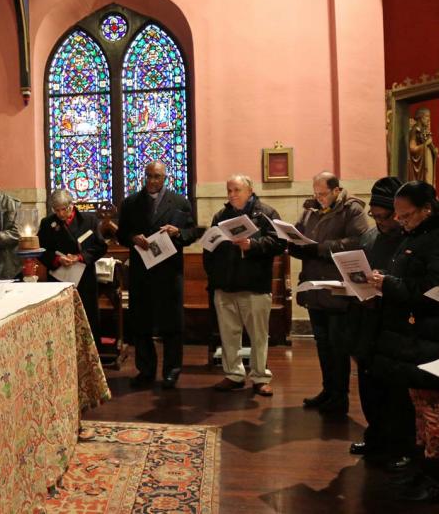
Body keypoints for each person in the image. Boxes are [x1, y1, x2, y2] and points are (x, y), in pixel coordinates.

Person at [369, 181, 439, 501]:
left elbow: (435, 291)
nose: (400, 221)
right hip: (413, 335)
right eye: (397, 216)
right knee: (419, 407)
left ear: (426, 209)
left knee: (433, 411)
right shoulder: (416, 234)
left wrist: (388, 284)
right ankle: (422, 468)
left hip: (433, 335)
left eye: (406, 215)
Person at [343, 177, 415, 468]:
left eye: (386, 216)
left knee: (395, 391)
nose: (380, 221)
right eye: (376, 215)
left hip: (395, 324)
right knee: (368, 385)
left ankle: (400, 445)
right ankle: (376, 436)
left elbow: (412, 286)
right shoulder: (370, 237)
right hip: (367, 321)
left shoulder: (410, 239)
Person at [290, 171, 369, 415]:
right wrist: (293, 244)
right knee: (322, 344)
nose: (318, 198)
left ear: (336, 190)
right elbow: (301, 237)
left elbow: (358, 241)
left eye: (322, 194)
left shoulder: (352, 210)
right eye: (315, 193)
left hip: (338, 289)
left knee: (338, 346)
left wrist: (320, 248)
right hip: (314, 287)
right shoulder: (309, 210)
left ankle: (340, 397)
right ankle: (327, 390)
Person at [117, 161, 197, 389]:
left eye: (157, 177)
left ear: (165, 178)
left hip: (169, 272)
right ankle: (146, 370)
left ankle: (171, 371)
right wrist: (132, 238)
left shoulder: (179, 202)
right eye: (149, 175)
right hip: (142, 272)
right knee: (141, 324)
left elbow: (192, 232)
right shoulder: (131, 203)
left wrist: (178, 232)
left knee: (171, 325)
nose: (152, 181)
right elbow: (122, 233)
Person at [203, 174, 285, 396]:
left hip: (254, 285)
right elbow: (208, 249)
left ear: (250, 190)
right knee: (229, 334)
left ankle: (259, 377)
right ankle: (234, 374)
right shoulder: (221, 216)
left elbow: (279, 243)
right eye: (229, 190)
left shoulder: (265, 213)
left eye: (236, 190)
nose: (231, 195)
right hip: (225, 285)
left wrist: (253, 245)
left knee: (258, 335)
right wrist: (214, 276)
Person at [38, 189, 107, 349]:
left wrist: (79, 257)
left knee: (87, 317)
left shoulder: (89, 220)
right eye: (57, 210)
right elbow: (40, 251)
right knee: (61, 318)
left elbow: (100, 247)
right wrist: (57, 259)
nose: (61, 214)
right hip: (59, 278)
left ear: (72, 205)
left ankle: (92, 355)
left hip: (84, 278)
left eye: (65, 209)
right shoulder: (47, 223)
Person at [407, 107, 439, 186]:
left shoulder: (425, 130)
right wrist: (425, 145)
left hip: (427, 160)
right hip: (421, 166)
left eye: (429, 117)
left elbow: (430, 145)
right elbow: (412, 149)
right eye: (427, 116)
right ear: (420, 117)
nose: (428, 119)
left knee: (429, 182)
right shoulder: (415, 130)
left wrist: (434, 151)